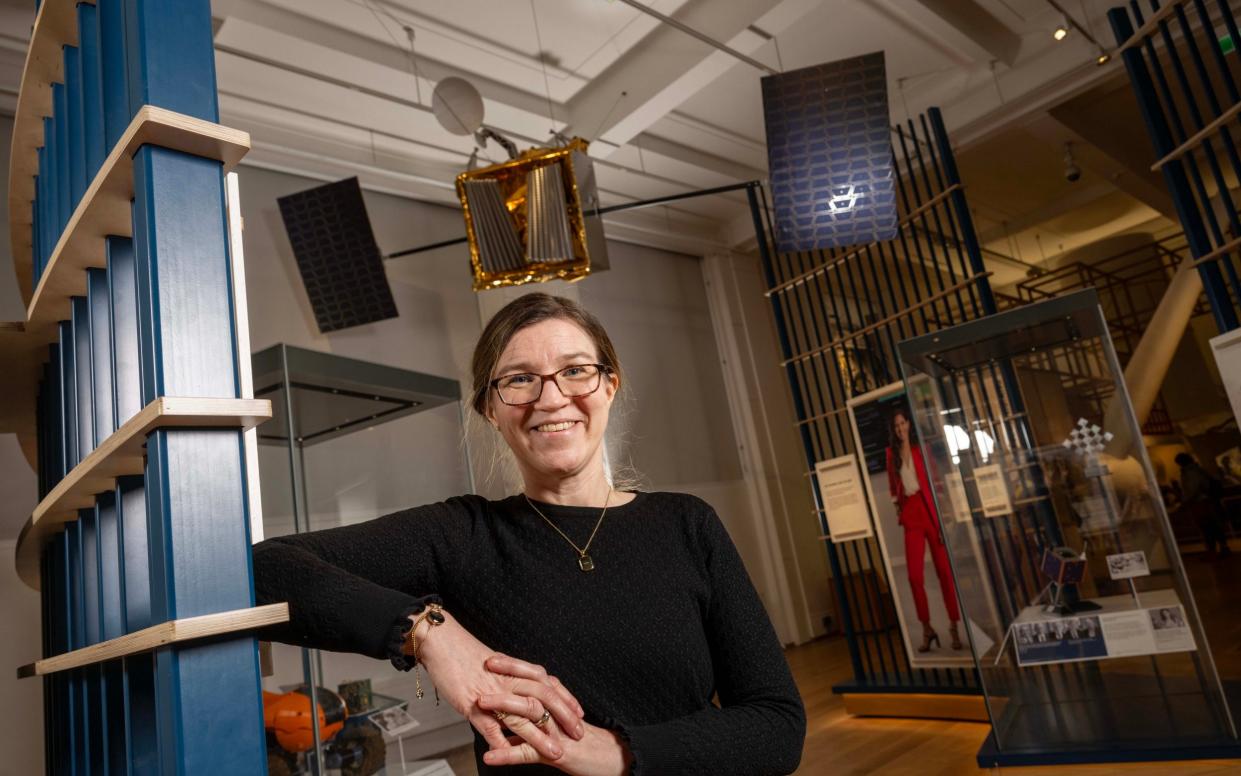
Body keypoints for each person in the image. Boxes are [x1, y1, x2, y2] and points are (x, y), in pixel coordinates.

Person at [251, 293, 805, 776]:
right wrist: (426, 632)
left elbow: (777, 726)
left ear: (609, 385)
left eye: (575, 370)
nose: (551, 398)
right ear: (491, 409)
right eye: (519, 379)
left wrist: (616, 753)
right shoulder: (462, 533)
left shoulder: (688, 523)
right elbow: (261, 568)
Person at [886, 405, 962, 652]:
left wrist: (944, 515)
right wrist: (900, 510)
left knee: (944, 571)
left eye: (903, 423)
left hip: (930, 512)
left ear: (909, 424)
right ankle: (927, 629)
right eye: (896, 425)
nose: (900, 429)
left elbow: (937, 483)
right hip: (911, 515)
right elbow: (892, 488)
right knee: (914, 577)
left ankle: (953, 625)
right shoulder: (891, 454)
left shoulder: (922, 450)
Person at [1176, 452, 1231, 558]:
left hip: (1201, 503)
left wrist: (1186, 501)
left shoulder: (1190, 472)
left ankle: (1213, 550)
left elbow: (1193, 489)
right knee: (1213, 525)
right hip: (1206, 501)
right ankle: (1221, 547)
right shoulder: (1198, 470)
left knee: (1207, 526)